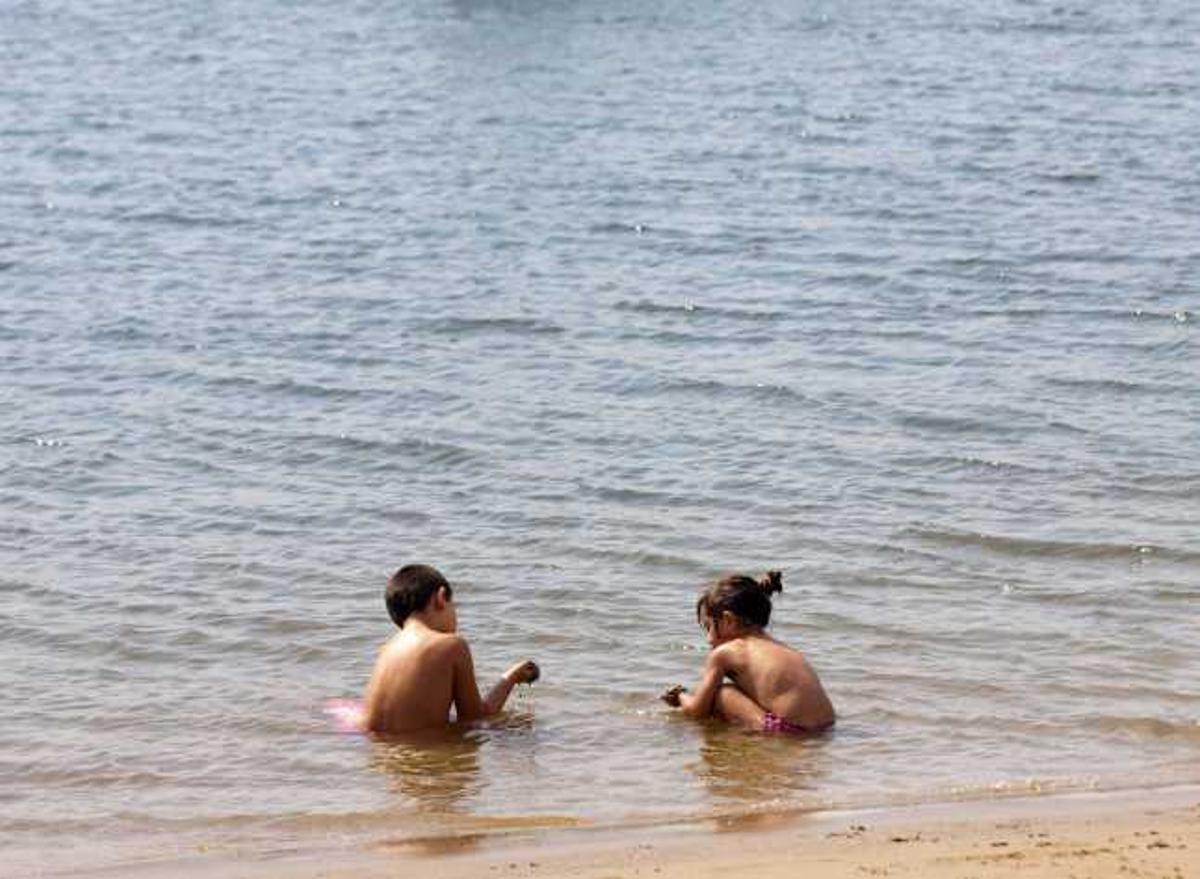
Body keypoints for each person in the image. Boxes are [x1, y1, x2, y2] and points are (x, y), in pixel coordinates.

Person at [362, 564, 539, 734]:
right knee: (520, 727)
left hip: (381, 759)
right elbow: (474, 718)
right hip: (422, 758)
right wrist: (510, 678)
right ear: (441, 597)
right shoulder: (452, 645)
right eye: (454, 605)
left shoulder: (387, 649)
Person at [661, 571, 834, 734]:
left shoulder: (725, 653)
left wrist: (681, 697)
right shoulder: (780, 647)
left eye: (708, 627)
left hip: (789, 731)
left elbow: (697, 711)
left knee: (723, 693)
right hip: (826, 727)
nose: (708, 639)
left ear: (728, 620)